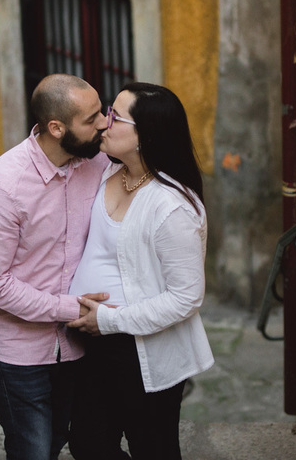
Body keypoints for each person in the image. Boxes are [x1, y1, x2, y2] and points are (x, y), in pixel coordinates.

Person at [0, 74, 114, 460]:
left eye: (103, 111)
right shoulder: (1, 189)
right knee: (31, 449)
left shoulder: (96, 164)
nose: (104, 123)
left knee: (54, 441)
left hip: (76, 347)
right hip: (17, 352)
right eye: (92, 118)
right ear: (56, 128)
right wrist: (71, 309)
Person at [67, 82, 214, 460]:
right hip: (95, 343)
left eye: (115, 117)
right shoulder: (104, 172)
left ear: (144, 135)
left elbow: (186, 298)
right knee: (88, 443)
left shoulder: (172, 207)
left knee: (154, 448)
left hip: (143, 349)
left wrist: (111, 320)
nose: (104, 123)